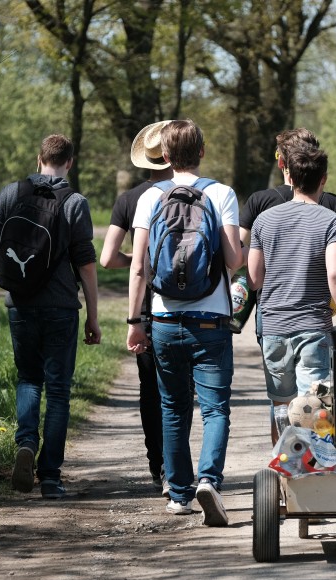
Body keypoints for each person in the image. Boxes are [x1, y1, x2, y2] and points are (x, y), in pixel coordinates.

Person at [126, 119, 242, 527]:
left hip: (163, 317)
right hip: (210, 318)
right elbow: (233, 261)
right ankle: (209, 479)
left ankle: (178, 494)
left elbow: (139, 266)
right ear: (203, 152)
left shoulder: (149, 197)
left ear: (166, 157)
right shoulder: (221, 193)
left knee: (172, 407)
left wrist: (134, 321)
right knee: (215, 409)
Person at [0, 133, 101, 500]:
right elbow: (87, 265)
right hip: (62, 307)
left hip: (20, 304)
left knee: (28, 379)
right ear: (70, 162)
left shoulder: (10, 194)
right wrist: (93, 316)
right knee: (59, 391)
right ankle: (50, 477)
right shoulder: (75, 202)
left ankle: (26, 443)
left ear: (38, 159)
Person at [240, 128, 336, 441]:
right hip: (313, 324)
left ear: (289, 175)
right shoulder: (333, 220)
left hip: (273, 324)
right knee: (315, 400)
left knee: (280, 403)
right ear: (323, 179)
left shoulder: (264, 220)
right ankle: (316, 466)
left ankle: (284, 465)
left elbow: (254, 279)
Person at [100, 120, 173, 497]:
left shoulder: (129, 200)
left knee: (150, 388)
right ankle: (177, 467)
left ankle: (156, 461)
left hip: (145, 306)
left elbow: (108, 257)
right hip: (184, 303)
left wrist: (137, 260)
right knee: (179, 389)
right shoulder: (189, 192)